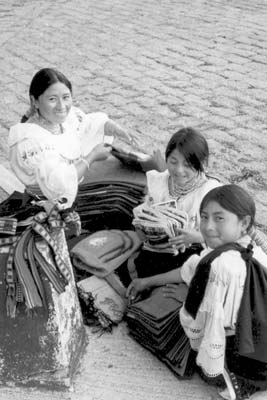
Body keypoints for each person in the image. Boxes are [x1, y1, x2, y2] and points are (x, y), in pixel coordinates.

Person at [127, 184, 267, 400]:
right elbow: (189, 270)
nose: (208, 226)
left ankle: (240, 387)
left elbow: (207, 327)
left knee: (168, 325)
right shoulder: (255, 251)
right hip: (260, 347)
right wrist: (147, 282)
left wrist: (191, 298)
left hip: (246, 359)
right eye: (204, 217)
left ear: (244, 223)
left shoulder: (219, 266)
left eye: (219, 218)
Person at [8, 67, 137, 208]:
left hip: (74, 188)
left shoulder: (64, 120)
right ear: (35, 101)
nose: (61, 106)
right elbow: (60, 184)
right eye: (52, 99)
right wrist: (92, 156)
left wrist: (115, 129)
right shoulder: (30, 142)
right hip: (52, 205)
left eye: (66, 97)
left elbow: (88, 124)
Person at [128, 127, 221, 280]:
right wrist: (142, 226)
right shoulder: (159, 182)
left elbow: (226, 237)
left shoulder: (210, 193)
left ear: (202, 163)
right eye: (173, 161)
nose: (178, 170)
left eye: (188, 164)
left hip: (192, 253)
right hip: (157, 249)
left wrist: (198, 237)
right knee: (141, 266)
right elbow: (146, 224)